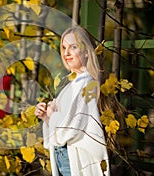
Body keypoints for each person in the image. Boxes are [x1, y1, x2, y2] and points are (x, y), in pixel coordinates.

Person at [35, 25, 110, 176]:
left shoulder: (88, 84)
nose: (66, 53)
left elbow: (73, 128)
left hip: (76, 161)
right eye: (64, 48)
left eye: (73, 47)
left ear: (87, 52)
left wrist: (52, 115)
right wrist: (46, 117)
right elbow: (61, 127)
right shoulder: (71, 85)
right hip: (64, 158)